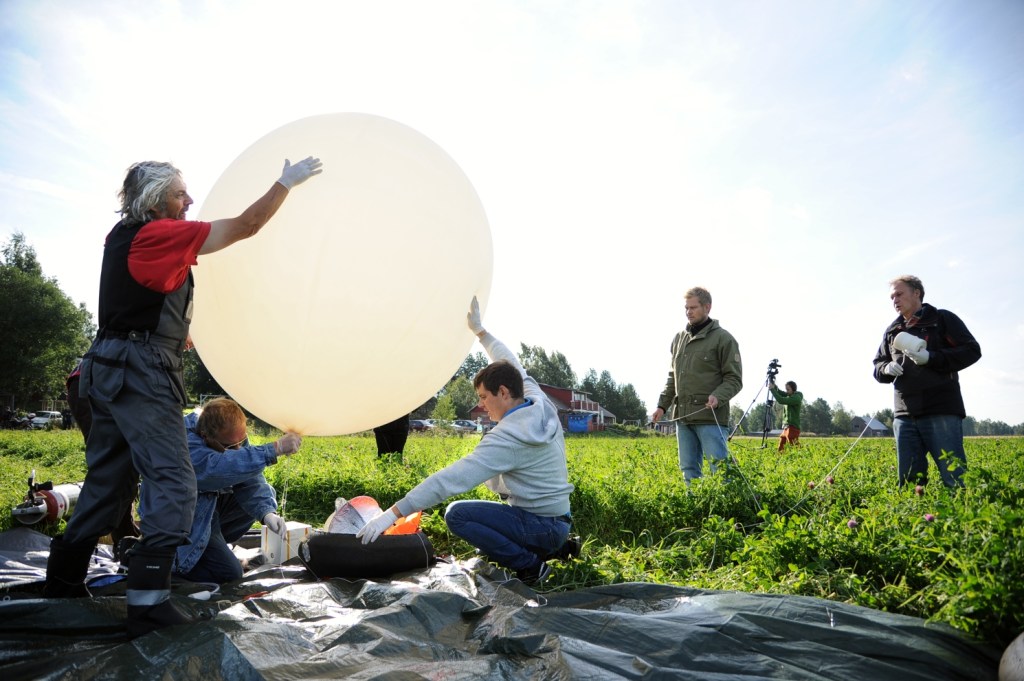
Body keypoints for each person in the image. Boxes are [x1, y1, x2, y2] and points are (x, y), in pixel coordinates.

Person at [43, 155, 322, 640]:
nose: (188, 201)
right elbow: (246, 226)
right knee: (176, 481)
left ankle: (63, 579)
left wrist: (174, 335)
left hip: (105, 369)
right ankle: (148, 604)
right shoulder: (158, 233)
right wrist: (284, 183)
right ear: (154, 202)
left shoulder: (123, 238)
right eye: (179, 194)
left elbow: (139, 303)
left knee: (108, 483)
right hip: (140, 372)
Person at [357, 297, 578, 585]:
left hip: (540, 524)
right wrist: (481, 333)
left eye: (484, 397)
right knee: (497, 516)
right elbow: (510, 360)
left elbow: (450, 480)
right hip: (558, 519)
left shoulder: (509, 437)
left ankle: (532, 566)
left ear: (502, 392)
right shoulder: (537, 400)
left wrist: (391, 514)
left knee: (458, 515)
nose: (482, 405)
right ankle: (560, 547)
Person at [164, 398, 301, 584]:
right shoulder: (184, 442)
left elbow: (248, 478)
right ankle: (169, 562)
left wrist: (267, 513)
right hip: (183, 518)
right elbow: (218, 468)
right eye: (230, 447)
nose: (238, 448)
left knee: (254, 500)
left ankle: (213, 548)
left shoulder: (227, 435)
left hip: (208, 510)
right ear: (206, 436)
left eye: (242, 442)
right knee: (229, 574)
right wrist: (273, 449)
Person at [872, 275, 980, 489]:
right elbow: (878, 364)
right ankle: (916, 520)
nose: (895, 300)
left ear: (917, 293)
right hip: (904, 414)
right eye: (892, 297)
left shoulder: (941, 319)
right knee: (911, 482)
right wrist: (886, 368)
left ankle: (963, 520)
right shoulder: (892, 331)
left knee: (955, 478)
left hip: (941, 410)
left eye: (899, 294)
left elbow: (971, 350)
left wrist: (932, 358)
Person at [651, 286, 743, 482]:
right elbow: (672, 378)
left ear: (707, 307)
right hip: (683, 417)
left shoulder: (724, 339)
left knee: (720, 469)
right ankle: (695, 508)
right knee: (689, 469)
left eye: (693, 307)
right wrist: (662, 406)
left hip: (710, 418)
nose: (688, 312)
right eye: (686, 308)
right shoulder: (678, 339)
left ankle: (731, 509)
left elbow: (734, 379)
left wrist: (718, 396)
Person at [65, 360, 140, 552]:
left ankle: (125, 539)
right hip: (93, 384)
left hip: (105, 383)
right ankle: (73, 550)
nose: (188, 348)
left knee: (127, 468)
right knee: (110, 469)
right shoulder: (159, 337)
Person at [769, 379, 803, 452]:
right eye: (786, 389)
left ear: (793, 389)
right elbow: (781, 393)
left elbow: (781, 400)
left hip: (793, 427)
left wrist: (772, 389)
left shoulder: (796, 398)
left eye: (788, 389)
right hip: (787, 427)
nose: (786, 391)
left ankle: (802, 457)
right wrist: (774, 386)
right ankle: (779, 459)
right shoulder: (790, 395)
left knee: (794, 445)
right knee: (782, 443)